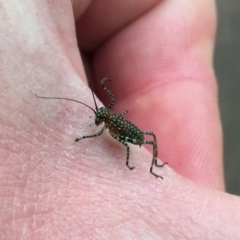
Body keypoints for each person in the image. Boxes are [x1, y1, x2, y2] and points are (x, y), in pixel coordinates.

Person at [0, 0, 239, 239]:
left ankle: (154, 167)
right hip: (122, 123)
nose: (99, 116)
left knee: (145, 138)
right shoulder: (107, 116)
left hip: (130, 133)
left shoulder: (110, 124)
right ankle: (154, 166)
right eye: (101, 114)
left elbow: (109, 137)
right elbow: (105, 114)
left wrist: (92, 140)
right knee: (148, 136)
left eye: (101, 114)